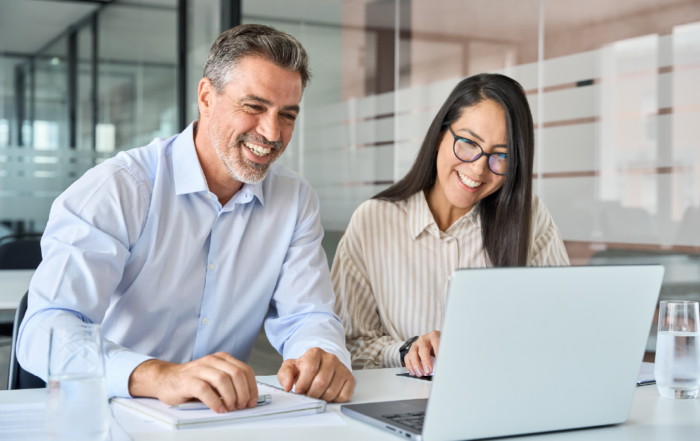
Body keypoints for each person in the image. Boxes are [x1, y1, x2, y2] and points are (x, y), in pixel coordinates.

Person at [18, 24, 355, 411]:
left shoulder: (295, 200)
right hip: (108, 411)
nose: (271, 132)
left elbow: (307, 315)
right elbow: (45, 330)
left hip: (219, 418)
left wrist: (321, 355)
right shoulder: (120, 188)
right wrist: (159, 375)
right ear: (207, 97)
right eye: (254, 107)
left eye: (288, 115)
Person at [332, 73, 570, 377]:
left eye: (502, 156)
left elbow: (561, 331)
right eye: (469, 143)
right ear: (439, 137)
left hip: (500, 400)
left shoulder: (530, 218)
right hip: (406, 403)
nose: (478, 168)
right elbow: (347, 348)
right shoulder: (373, 221)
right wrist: (407, 351)